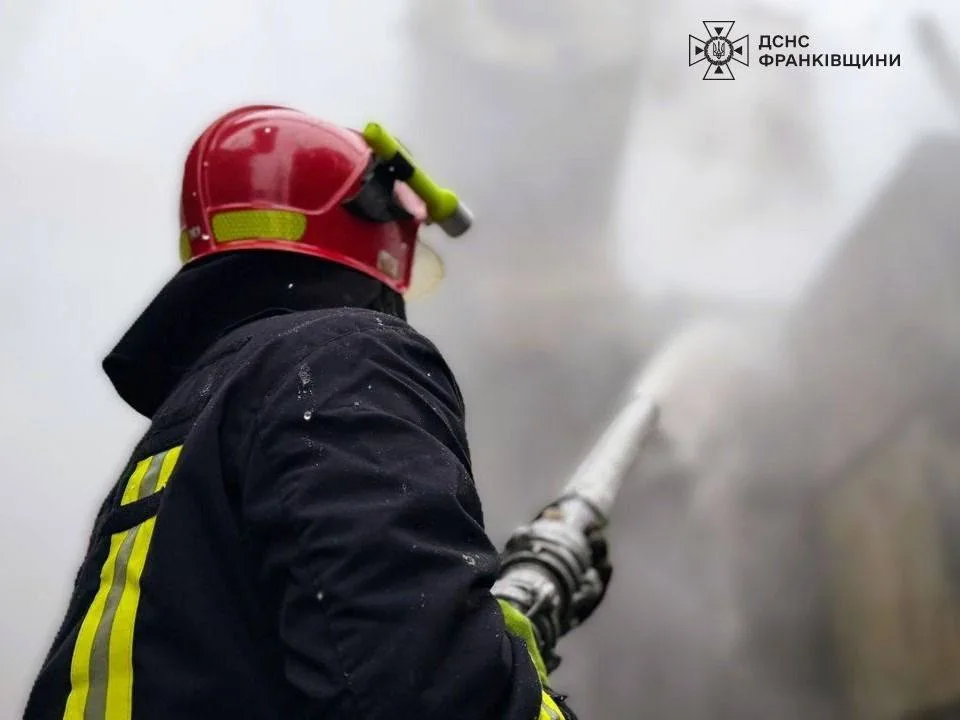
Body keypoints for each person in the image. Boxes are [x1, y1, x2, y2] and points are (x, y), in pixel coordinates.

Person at [23, 105, 599, 720]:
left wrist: (496, 645)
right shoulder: (337, 360)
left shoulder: (193, 437)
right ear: (378, 239)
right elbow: (421, 691)